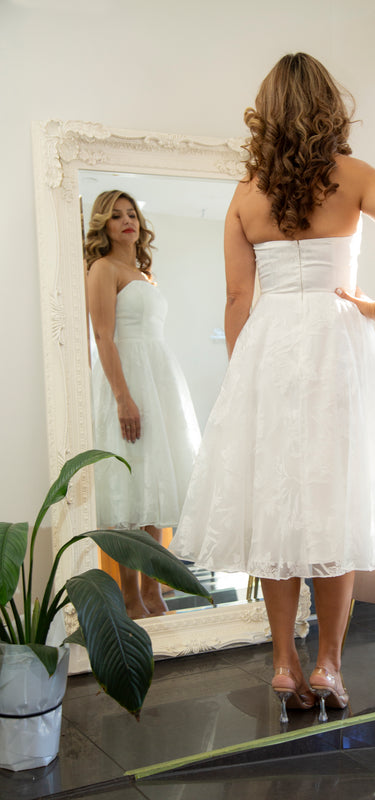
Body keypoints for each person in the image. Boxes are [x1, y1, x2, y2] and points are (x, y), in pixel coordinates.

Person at [170, 52, 375, 722]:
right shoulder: (353, 176)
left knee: (277, 511)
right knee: (334, 502)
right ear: (327, 105)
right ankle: (329, 666)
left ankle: (284, 662)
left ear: (267, 111)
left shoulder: (245, 193)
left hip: (268, 348)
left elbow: (237, 297)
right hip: (335, 345)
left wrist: (244, 377)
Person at [86, 190, 201, 619]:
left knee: (156, 486)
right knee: (127, 490)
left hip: (158, 379)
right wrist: (123, 397)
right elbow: (103, 336)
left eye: (131, 213)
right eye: (115, 216)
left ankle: (153, 592)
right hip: (127, 380)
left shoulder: (144, 274)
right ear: (104, 225)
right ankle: (131, 598)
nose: (126, 221)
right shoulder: (102, 268)